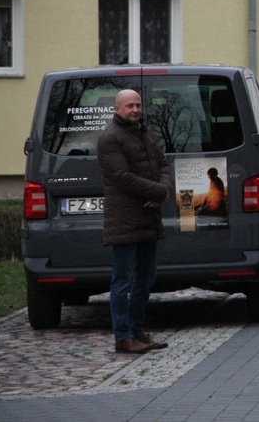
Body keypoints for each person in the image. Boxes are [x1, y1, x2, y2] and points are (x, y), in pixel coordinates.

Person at [97, 89, 172, 354]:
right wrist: (157, 192)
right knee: (123, 282)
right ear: (117, 109)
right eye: (129, 105)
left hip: (148, 216)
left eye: (138, 104)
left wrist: (161, 191)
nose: (135, 109)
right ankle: (123, 336)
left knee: (145, 278)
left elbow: (163, 165)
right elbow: (121, 177)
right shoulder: (110, 138)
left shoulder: (144, 132)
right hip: (125, 218)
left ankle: (138, 332)